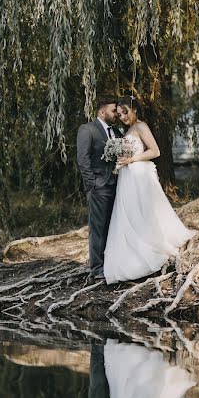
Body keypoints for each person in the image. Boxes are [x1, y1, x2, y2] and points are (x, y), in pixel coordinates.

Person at [103, 96, 196, 284]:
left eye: (125, 112)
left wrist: (131, 160)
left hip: (139, 176)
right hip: (128, 177)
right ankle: (132, 254)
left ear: (134, 109)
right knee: (131, 213)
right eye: (119, 114)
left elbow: (155, 151)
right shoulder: (128, 130)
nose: (122, 116)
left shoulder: (141, 127)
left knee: (143, 212)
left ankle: (152, 250)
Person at [76, 97, 122, 281]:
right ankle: (96, 269)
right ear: (102, 112)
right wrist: (93, 184)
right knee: (98, 228)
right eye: (113, 111)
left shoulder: (117, 131)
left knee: (112, 226)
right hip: (99, 187)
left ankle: (110, 263)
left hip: (117, 186)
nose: (117, 114)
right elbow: (83, 160)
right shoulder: (88, 130)